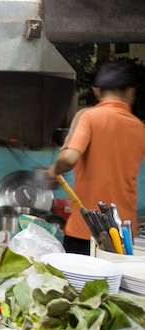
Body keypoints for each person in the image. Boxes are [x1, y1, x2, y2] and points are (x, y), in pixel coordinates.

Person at [48, 61, 145, 255]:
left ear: (98, 91)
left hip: (87, 232)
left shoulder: (90, 117)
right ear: (129, 92)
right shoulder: (138, 127)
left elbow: (69, 159)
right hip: (124, 237)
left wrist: (52, 171)